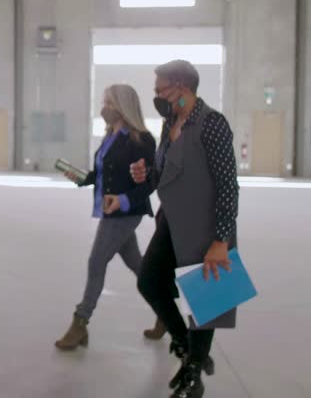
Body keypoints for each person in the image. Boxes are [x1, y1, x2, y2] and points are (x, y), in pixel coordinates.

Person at [130, 60, 239, 398]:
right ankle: (187, 347)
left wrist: (221, 240)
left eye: (161, 90)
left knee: (205, 302)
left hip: (207, 224)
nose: (158, 97)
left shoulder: (213, 124)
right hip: (172, 219)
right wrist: (145, 176)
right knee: (149, 280)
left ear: (182, 87)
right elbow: (166, 175)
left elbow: (227, 185)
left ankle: (194, 374)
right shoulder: (169, 123)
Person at [55, 84, 158, 351]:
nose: (105, 108)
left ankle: (80, 323)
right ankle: (165, 313)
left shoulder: (142, 139)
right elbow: (102, 174)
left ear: (124, 106)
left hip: (125, 212)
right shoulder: (110, 135)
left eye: (110, 103)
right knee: (139, 266)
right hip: (109, 209)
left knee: (96, 262)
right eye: (104, 102)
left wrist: (123, 200)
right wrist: (81, 177)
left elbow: (148, 184)